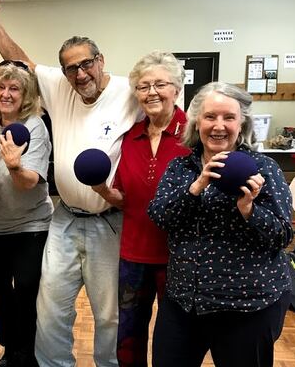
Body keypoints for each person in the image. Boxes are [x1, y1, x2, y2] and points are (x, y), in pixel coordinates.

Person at [0, 2, 140, 366]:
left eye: (86, 63)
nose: (80, 74)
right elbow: (19, 62)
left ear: (101, 60)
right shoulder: (60, 88)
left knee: (109, 314)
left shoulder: (129, 93)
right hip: (65, 218)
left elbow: (166, 105)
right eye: (71, 67)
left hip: (109, 220)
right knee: (49, 309)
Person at [147, 82, 293, 367]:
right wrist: (197, 185)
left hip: (248, 306)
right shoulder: (180, 168)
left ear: (242, 124)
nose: (219, 126)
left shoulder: (264, 169)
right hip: (184, 302)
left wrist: (248, 209)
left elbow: (282, 236)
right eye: (210, 116)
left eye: (229, 117)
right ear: (197, 122)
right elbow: (160, 216)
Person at [91, 52, 191, 367]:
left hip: (178, 256)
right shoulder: (130, 138)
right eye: (143, 86)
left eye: (160, 84)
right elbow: (125, 198)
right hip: (133, 255)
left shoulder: (194, 135)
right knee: (129, 336)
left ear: (177, 88)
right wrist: (104, 191)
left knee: (176, 337)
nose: (151, 93)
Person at [0, 61, 53, 367]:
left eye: (14, 88)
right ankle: (11, 349)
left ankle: (29, 354)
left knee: (27, 293)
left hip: (30, 226)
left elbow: (29, 182)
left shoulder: (34, 126)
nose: (6, 94)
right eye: (0, 87)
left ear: (25, 94)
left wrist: (15, 165)